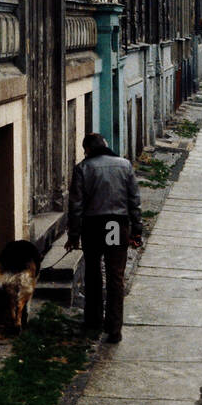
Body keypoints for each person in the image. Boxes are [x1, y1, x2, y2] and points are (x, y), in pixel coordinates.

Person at [65, 133, 142, 343]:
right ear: (105, 146)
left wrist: (73, 235)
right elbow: (134, 200)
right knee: (115, 274)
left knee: (93, 271)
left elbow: (76, 206)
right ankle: (114, 328)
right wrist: (137, 229)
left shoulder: (83, 168)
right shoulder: (124, 165)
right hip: (115, 224)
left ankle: (93, 320)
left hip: (92, 225)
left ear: (87, 150)